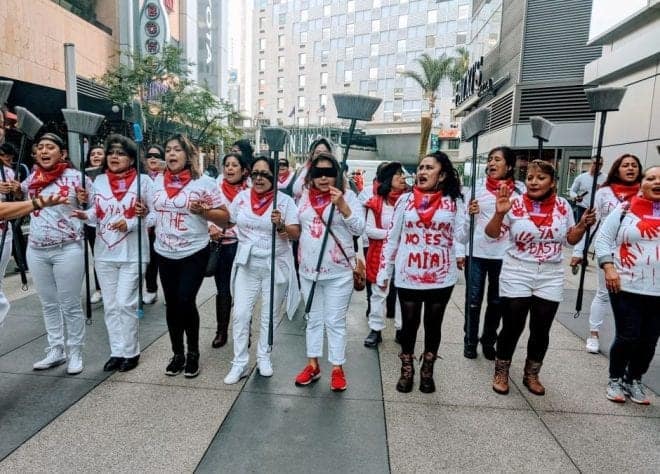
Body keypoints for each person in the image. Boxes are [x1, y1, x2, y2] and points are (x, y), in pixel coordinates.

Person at [485, 160, 595, 396]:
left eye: (540, 178)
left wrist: (583, 225)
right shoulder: (513, 204)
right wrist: (498, 213)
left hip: (550, 274)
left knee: (541, 329)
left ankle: (531, 373)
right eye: (530, 177)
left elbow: (569, 240)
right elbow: (492, 234)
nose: (534, 182)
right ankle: (501, 370)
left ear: (553, 182)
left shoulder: (563, 206)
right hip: (517, 271)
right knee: (512, 326)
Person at [377, 151, 467, 394]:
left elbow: (460, 235)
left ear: (443, 174)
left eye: (429, 167)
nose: (422, 172)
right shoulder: (405, 201)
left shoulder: (455, 201)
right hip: (409, 274)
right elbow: (392, 237)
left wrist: (462, 249)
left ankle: (427, 369)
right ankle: (407, 369)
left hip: (441, 276)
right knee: (409, 324)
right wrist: (384, 270)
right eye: (420, 167)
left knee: (433, 325)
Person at [72, 135, 151, 373]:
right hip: (105, 252)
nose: (115, 157)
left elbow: (154, 215)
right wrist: (85, 213)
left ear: (131, 158)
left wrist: (133, 221)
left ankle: (131, 351)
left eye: (121, 153)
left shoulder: (144, 182)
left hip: (132, 253)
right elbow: (98, 213)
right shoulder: (100, 182)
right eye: (111, 153)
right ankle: (117, 351)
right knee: (111, 305)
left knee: (126, 303)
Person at [149, 134, 226, 378]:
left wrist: (205, 211)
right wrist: (141, 214)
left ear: (188, 155)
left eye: (177, 150)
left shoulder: (204, 184)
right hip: (163, 252)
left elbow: (226, 217)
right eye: (168, 150)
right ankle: (177, 354)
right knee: (172, 304)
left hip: (194, 252)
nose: (171, 154)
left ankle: (193, 353)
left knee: (185, 300)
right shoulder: (155, 184)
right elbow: (153, 214)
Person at [221, 156, 300, 384]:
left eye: (265, 174)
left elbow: (295, 233)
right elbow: (229, 220)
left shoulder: (284, 202)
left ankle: (264, 356)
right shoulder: (242, 197)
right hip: (248, 264)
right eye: (255, 173)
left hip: (275, 265)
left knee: (269, 316)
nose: (259, 178)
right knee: (241, 314)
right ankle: (239, 363)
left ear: (275, 177)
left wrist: (282, 225)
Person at [21, 133, 91, 375]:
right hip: (37, 250)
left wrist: (85, 201)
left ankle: (75, 352)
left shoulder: (76, 178)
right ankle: (55, 349)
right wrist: (11, 191)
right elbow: (18, 204)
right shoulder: (30, 180)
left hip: (68, 249)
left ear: (62, 154)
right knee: (48, 303)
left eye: (50, 147)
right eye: (40, 147)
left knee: (70, 304)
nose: (44, 151)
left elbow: (95, 208)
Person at [294, 152, 365, 392]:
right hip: (307, 271)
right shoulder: (302, 197)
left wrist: (344, 207)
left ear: (337, 174)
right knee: (312, 318)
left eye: (329, 173)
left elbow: (359, 228)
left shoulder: (348, 197)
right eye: (318, 173)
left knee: (334, 321)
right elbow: (296, 228)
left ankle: (337, 367)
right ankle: (313, 364)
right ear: (310, 176)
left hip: (338, 273)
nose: (323, 178)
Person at [596, 166, 660, 405]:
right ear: (642, 183)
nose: (656, 183)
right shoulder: (624, 210)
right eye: (651, 178)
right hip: (626, 285)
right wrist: (608, 267)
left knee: (650, 339)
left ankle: (634, 378)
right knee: (628, 335)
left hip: (658, 291)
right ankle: (615, 378)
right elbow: (603, 239)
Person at [570, 154, 642, 354]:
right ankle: (594, 334)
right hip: (608, 251)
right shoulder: (604, 193)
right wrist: (579, 251)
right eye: (625, 165)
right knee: (603, 293)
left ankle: (627, 338)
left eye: (634, 165)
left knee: (634, 299)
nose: (630, 168)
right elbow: (591, 224)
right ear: (617, 169)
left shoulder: (645, 193)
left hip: (637, 254)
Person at [462, 146, 524, 360]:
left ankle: (488, 340)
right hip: (477, 252)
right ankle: (469, 341)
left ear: (508, 166)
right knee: (473, 300)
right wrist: (471, 215)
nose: (491, 163)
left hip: (505, 255)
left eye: (497, 159)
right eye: (489, 159)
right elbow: (463, 225)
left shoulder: (521, 192)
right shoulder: (475, 189)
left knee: (497, 302)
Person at [363, 162, 407, 348]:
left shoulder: (410, 200)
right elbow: (370, 230)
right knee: (379, 292)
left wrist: (392, 234)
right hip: (380, 254)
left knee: (403, 294)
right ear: (389, 180)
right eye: (399, 175)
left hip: (405, 254)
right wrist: (393, 234)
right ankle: (376, 329)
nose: (403, 178)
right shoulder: (376, 202)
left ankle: (401, 329)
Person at [208, 151, 249, 349]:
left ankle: (244, 331)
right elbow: (207, 213)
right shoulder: (215, 189)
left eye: (234, 165)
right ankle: (221, 331)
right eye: (227, 165)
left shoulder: (250, 190)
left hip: (243, 247)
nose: (230, 169)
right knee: (223, 290)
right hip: (222, 247)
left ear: (243, 170)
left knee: (244, 292)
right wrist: (212, 227)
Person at [143, 144, 166, 305]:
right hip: (147, 227)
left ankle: (169, 291)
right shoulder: (140, 177)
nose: (153, 158)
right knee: (149, 260)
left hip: (164, 226)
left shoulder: (168, 177)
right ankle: (151, 290)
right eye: (150, 155)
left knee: (164, 262)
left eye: (157, 156)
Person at [83, 144, 105, 304]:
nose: (96, 156)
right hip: (91, 224)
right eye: (93, 154)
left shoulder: (111, 175)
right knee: (97, 256)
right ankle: (99, 288)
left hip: (111, 224)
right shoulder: (83, 177)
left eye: (99, 153)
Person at [569, 157, 605, 222]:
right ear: (591, 163)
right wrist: (576, 197)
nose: (597, 166)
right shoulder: (581, 177)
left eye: (600, 164)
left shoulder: (606, 179)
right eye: (595, 163)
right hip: (582, 209)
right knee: (580, 229)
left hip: (598, 210)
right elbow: (572, 191)